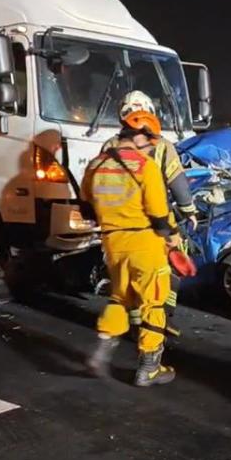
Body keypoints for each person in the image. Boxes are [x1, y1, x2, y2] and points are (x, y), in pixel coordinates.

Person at [82, 111, 179, 386]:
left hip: (112, 244)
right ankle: (149, 368)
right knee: (154, 303)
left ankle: (100, 353)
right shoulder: (145, 166)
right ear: (139, 136)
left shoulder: (96, 165)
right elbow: (159, 215)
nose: (151, 148)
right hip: (144, 244)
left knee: (119, 298)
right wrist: (172, 239)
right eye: (150, 143)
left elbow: (86, 208)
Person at [103, 91, 197, 318]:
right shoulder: (162, 146)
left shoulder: (110, 146)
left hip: (119, 225)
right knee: (171, 262)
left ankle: (135, 320)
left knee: (128, 273)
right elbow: (178, 183)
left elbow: (100, 185)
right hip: (156, 221)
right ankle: (161, 316)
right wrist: (189, 211)